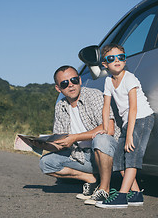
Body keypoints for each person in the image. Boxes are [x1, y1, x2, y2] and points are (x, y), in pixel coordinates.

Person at [39, 65, 120, 202]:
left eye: (74, 80)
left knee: (101, 139)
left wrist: (75, 137)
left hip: (108, 152)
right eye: (65, 84)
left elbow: (109, 129)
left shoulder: (94, 95)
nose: (71, 85)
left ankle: (104, 189)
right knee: (46, 163)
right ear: (58, 88)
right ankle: (90, 178)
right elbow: (61, 139)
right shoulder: (61, 106)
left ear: (80, 80)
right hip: (81, 155)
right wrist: (44, 144)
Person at [94, 44, 154, 209]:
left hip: (142, 118)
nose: (117, 61)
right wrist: (105, 129)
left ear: (125, 59)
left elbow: (133, 108)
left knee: (132, 156)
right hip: (129, 122)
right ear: (105, 64)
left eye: (121, 57)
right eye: (111, 58)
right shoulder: (108, 81)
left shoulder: (130, 78)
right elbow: (106, 107)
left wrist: (129, 135)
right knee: (119, 159)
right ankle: (135, 193)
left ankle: (121, 196)